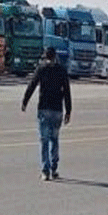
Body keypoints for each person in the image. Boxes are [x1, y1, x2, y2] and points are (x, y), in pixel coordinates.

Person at [21, 47, 72, 181]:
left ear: (45, 57)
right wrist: (68, 111)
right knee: (54, 139)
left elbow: (32, 85)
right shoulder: (61, 70)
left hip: (44, 108)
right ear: (55, 57)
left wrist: (25, 101)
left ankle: (45, 170)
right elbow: (67, 91)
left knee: (44, 140)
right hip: (57, 110)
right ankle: (54, 168)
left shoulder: (42, 68)